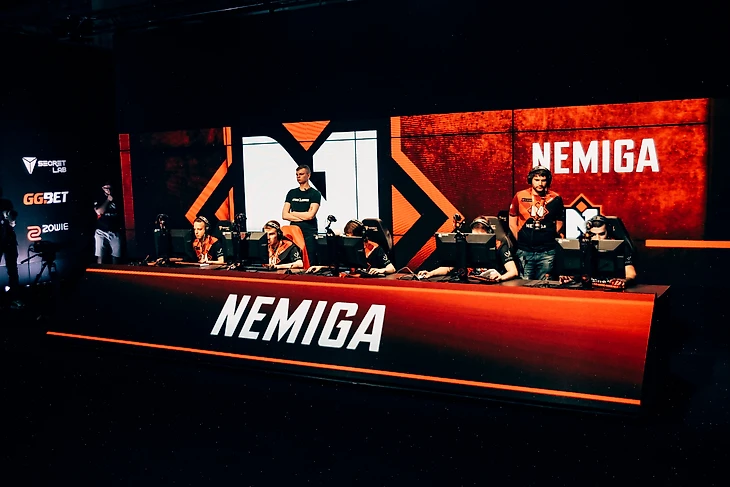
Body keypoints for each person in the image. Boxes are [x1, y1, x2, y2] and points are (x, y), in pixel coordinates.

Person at [417, 216, 519, 281]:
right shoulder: (465, 243)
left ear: (489, 232)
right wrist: (430, 273)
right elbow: (449, 267)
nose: (478, 234)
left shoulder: (500, 245)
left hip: (491, 285)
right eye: (475, 231)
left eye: (482, 231)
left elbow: (513, 271)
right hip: (470, 283)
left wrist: (501, 278)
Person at [508, 166, 565, 280]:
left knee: (544, 285)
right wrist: (521, 239)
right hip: (525, 251)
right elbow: (512, 222)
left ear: (548, 181)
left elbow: (559, 222)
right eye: (537, 180)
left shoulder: (556, 198)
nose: (540, 183)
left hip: (547, 252)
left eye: (543, 180)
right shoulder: (520, 196)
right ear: (531, 180)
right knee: (523, 285)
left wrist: (548, 236)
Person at [559, 215, 637, 288]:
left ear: (608, 232)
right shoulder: (582, 246)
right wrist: (568, 277)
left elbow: (631, 273)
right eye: (593, 234)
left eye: (601, 234)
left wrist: (624, 281)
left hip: (611, 288)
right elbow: (574, 270)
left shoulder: (622, 247)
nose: (597, 238)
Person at [307, 219, 396, 276]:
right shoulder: (345, 246)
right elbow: (339, 265)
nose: (348, 240)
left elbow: (391, 268)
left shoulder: (375, 248)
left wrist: (382, 270)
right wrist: (321, 267)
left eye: (351, 237)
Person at [282, 165, 321, 265]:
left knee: (310, 260)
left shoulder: (315, 193)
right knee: (295, 260)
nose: (298, 176)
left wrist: (294, 213)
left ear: (308, 175)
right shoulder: (292, 193)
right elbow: (285, 215)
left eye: (301, 174)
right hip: (294, 231)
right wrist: (303, 216)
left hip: (309, 232)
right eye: (297, 175)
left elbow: (310, 216)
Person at [0, 187, 24, 309]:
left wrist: (10, 219)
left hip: (9, 241)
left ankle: (15, 298)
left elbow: (12, 222)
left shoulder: (6, 203)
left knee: (13, 271)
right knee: (13, 271)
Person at [94, 181, 123, 264]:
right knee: (100, 256)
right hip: (101, 231)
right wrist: (108, 200)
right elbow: (99, 211)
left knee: (116, 256)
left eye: (110, 188)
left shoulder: (117, 198)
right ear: (102, 188)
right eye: (106, 188)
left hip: (115, 231)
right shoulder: (99, 198)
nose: (108, 190)